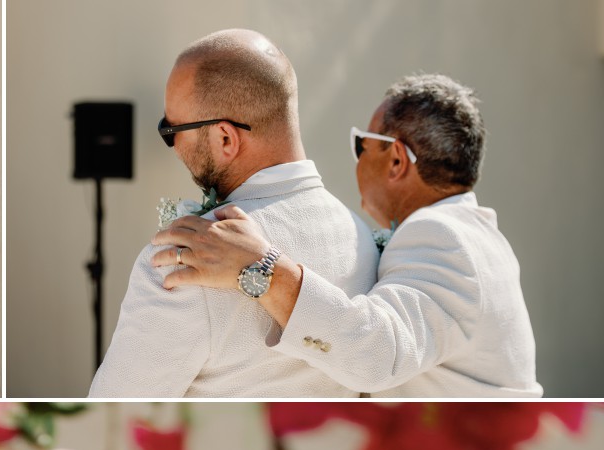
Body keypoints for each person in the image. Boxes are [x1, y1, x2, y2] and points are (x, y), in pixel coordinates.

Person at [153, 73, 541, 398]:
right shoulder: (478, 235)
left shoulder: (439, 235)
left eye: (362, 144)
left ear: (395, 160)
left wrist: (262, 268)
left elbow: (380, 356)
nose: (357, 159)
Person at [88, 30, 377, 399]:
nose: (172, 145)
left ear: (226, 138)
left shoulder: (185, 262)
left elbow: (116, 408)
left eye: (170, 130)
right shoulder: (361, 236)